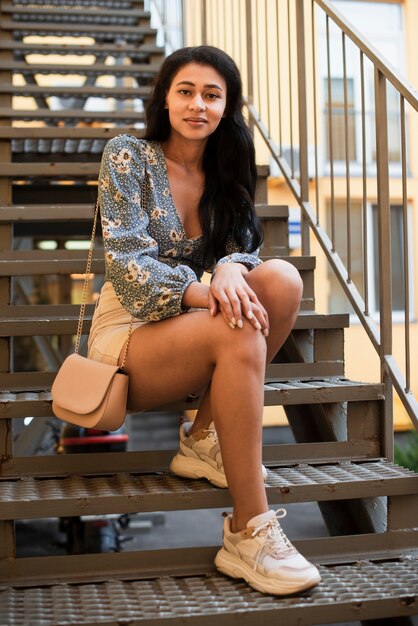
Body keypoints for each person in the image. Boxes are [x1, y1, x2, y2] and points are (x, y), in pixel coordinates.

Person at [88, 45, 321, 596]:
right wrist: (207, 288)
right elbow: (127, 267)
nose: (198, 105)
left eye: (212, 95)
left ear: (226, 107)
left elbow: (245, 248)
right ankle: (247, 532)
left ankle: (202, 438)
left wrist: (227, 271)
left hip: (201, 324)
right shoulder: (128, 156)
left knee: (282, 281)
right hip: (130, 334)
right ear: (165, 99)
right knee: (235, 321)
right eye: (186, 92)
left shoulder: (226, 166)